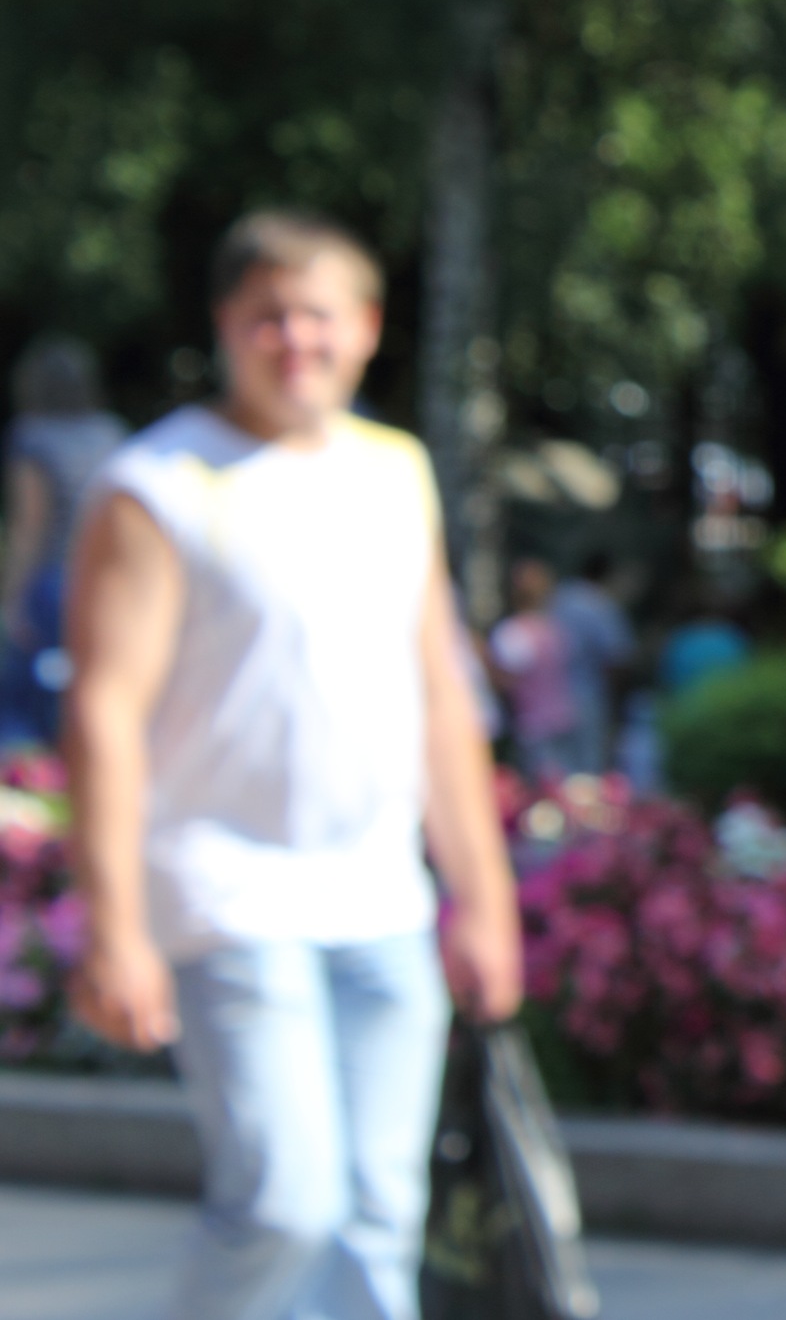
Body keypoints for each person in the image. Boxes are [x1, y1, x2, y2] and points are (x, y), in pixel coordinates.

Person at [60, 210, 521, 1320]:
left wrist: (484, 898)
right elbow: (104, 708)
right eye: (268, 316)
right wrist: (114, 926)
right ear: (227, 324)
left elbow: (438, 697)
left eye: (318, 315)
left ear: (365, 328)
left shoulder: (393, 470)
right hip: (227, 891)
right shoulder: (159, 482)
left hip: (379, 896)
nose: (294, 340)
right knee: (284, 1204)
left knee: (378, 1216)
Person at [1, 337, 126, 746]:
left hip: (52, 582)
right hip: (107, 580)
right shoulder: (110, 431)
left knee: (26, 697)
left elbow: (29, 527)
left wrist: (12, 598)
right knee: (95, 688)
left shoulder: (32, 436)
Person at [489, 557, 581, 779]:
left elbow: (506, 681)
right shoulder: (555, 629)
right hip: (564, 719)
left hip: (531, 725)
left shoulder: (512, 632)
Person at [547, 555, 634, 775]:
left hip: (549, 697)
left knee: (555, 771)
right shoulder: (600, 604)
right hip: (588, 695)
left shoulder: (557, 598)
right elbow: (617, 656)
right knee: (588, 770)